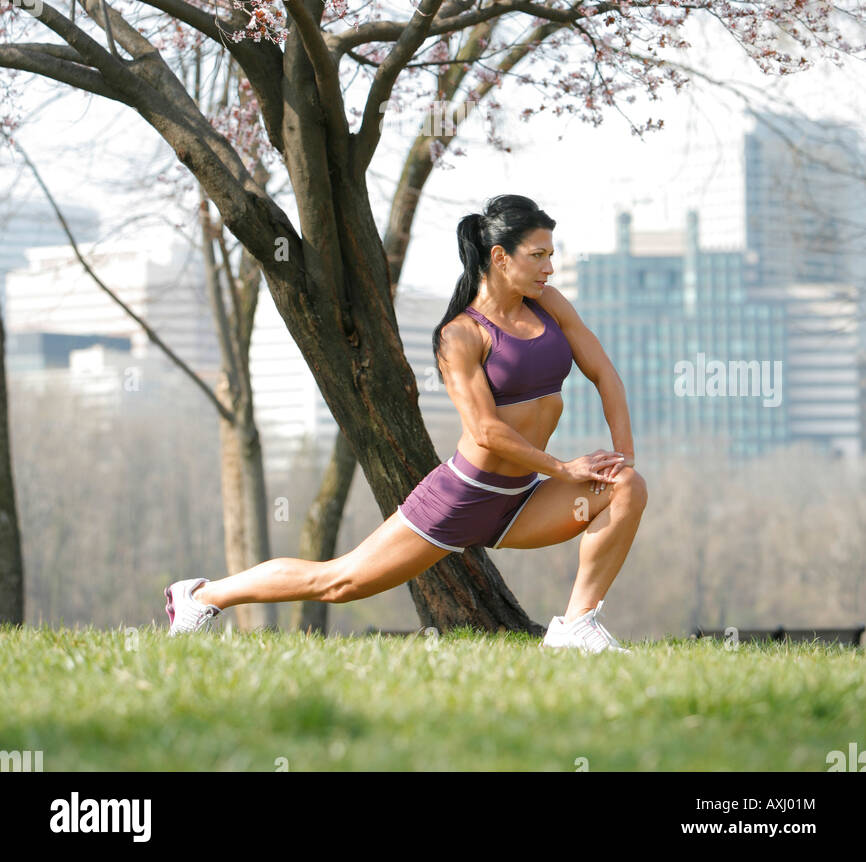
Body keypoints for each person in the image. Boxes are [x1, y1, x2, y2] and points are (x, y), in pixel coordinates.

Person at [164, 193, 647, 652]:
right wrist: (564, 469)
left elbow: (604, 373)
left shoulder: (551, 305)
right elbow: (486, 432)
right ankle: (203, 596)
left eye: (551, 254)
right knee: (339, 581)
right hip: (464, 496)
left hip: (520, 501)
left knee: (626, 485)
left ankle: (575, 626)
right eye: (538, 255)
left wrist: (619, 456)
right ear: (500, 257)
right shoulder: (461, 334)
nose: (549, 267)